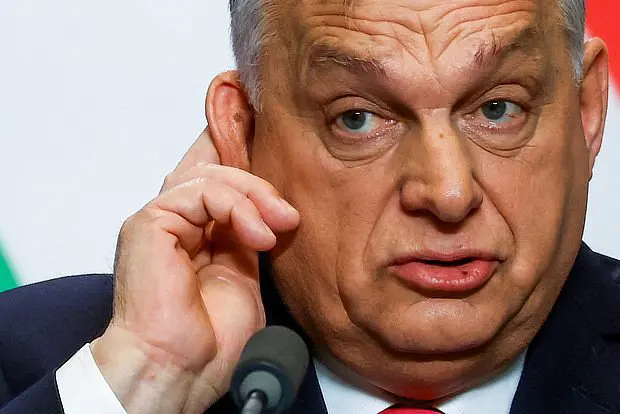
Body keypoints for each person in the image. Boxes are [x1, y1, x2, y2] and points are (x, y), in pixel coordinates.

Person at [1, 0, 618, 413]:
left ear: (587, 112)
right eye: (357, 118)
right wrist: (149, 377)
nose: (449, 193)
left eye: (498, 109)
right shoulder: (42, 364)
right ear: (243, 135)